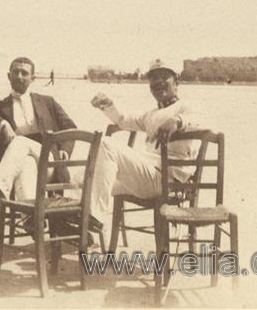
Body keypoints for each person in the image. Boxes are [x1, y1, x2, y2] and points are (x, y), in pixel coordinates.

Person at [89, 59, 209, 229]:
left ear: (177, 82)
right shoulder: (152, 114)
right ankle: (75, 226)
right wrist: (108, 105)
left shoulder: (186, 106)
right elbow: (124, 120)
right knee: (82, 177)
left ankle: (94, 216)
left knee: (107, 144)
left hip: (167, 181)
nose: (158, 82)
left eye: (164, 77)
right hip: (148, 176)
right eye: (153, 78)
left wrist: (177, 121)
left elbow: (204, 121)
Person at [0, 57, 76, 211]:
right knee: (25, 164)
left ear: (33, 78)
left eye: (24, 73)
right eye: (15, 72)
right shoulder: (1, 107)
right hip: (19, 166)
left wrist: (65, 148)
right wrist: (3, 124)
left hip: (49, 164)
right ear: (9, 76)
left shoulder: (47, 102)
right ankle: (30, 219)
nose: (19, 76)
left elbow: (70, 127)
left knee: (19, 142)